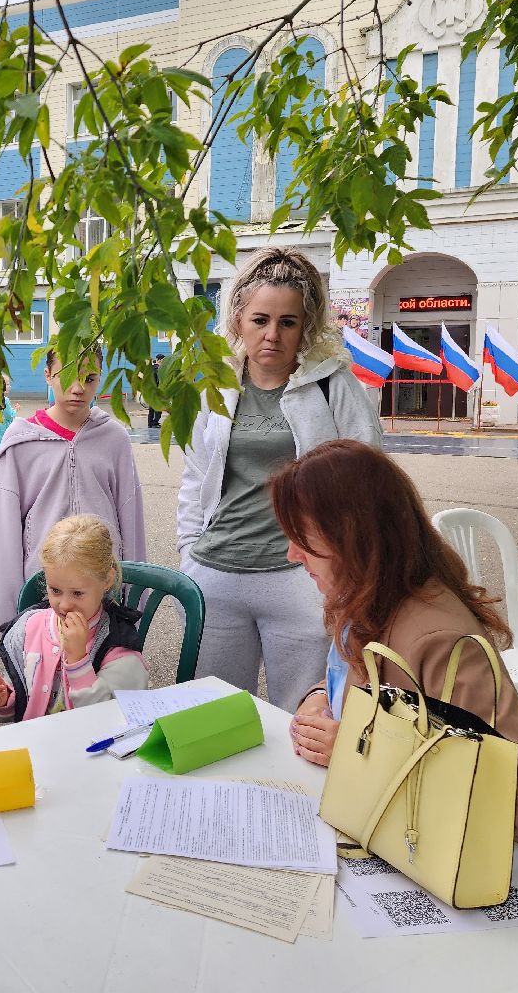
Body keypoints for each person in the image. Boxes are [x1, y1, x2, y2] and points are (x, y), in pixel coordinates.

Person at [278, 440, 518, 849]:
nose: (292, 554)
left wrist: (356, 754)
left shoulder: (438, 640)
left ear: (356, 537)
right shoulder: (366, 599)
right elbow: (350, 683)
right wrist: (318, 698)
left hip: (460, 862)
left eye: (304, 538)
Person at [176, 247, 382, 710]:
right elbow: (195, 477)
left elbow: (369, 482)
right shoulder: (215, 385)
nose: (272, 334)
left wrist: (345, 569)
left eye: (287, 322)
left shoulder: (332, 385)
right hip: (216, 575)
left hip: (299, 578)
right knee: (216, 716)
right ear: (238, 320)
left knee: (302, 716)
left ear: (306, 326)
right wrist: (189, 553)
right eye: (260, 320)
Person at [0, 344, 147, 628]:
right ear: (48, 375)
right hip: (44, 591)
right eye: (67, 376)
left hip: (102, 587)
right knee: (45, 655)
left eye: (89, 378)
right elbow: (5, 535)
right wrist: (9, 621)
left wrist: (134, 601)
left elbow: (131, 520)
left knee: (103, 655)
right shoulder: (21, 442)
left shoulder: (114, 439)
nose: (78, 389)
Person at [0, 514, 147, 721]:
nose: (65, 604)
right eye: (55, 590)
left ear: (107, 581)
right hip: (37, 738)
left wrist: (78, 660)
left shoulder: (118, 647)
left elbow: (108, 720)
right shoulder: (30, 628)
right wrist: (5, 699)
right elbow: (20, 696)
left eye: (77, 593)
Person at [146, 352, 165, 429]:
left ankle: (150, 423)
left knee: (151, 408)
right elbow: (159, 381)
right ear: (160, 360)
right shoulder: (158, 369)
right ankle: (155, 422)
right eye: (163, 360)